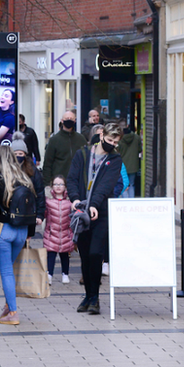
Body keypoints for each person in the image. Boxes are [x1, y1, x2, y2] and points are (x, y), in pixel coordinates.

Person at [67, 122, 123, 315]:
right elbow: (72, 178)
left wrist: (95, 205)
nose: (112, 144)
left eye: (115, 142)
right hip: (81, 212)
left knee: (95, 253)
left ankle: (95, 297)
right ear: (101, 136)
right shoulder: (82, 154)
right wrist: (74, 199)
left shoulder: (114, 159)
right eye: (109, 140)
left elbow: (106, 185)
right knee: (83, 254)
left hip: (101, 213)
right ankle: (88, 296)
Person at [0, 145, 37, 326]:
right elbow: (32, 207)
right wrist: (29, 234)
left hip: (4, 231)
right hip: (22, 231)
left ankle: (13, 313)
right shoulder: (24, 178)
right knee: (11, 270)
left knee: (7, 272)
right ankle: (9, 305)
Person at [10, 131, 47, 238]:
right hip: (13, 213)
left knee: (25, 239)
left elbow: (40, 193)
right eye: (15, 154)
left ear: (25, 154)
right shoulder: (8, 170)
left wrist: (40, 215)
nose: (18, 157)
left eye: (20, 154)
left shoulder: (33, 171)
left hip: (29, 213)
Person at [43, 110, 87, 190]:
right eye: (67, 118)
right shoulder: (54, 140)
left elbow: (86, 159)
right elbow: (48, 163)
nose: (69, 120)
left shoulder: (81, 139)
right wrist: (47, 184)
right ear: (62, 121)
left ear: (75, 121)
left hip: (78, 181)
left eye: (71, 118)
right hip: (59, 183)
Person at [43, 174, 74, 284]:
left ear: (65, 186)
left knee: (65, 254)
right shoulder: (48, 201)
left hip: (66, 232)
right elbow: (45, 214)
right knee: (51, 255)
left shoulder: (70, 201)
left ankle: (65, 274)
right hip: (51, 232)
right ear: (52, 186)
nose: (58, 186)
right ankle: (49, 274)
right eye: (55, 184)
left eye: (61, 184)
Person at [117, 122, 143, 197]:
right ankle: (131, 200)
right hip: (133, 165)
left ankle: (125, 201)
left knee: (124, 185)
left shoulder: (119, 139)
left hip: (122, 166)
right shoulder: (136, 137)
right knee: (131, 184)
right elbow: (139, 149)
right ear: (127, 126)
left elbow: (117, 152)